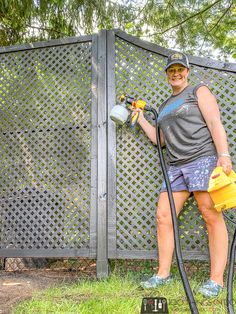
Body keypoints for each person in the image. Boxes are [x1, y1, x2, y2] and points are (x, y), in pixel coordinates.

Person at [132, 52, 232, 297]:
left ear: (187, 71)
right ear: (167, 74)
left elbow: (215, 122)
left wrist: (224, 154)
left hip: (202, 159)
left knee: (210, 214)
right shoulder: (165, 105)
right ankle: (163, 274)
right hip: (175, 166)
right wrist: (141, 119)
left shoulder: (199, 91)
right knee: (163, 215)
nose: (176, 73)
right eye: (171, 70)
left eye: (180, 69)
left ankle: (216, 280)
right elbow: (161, 140)